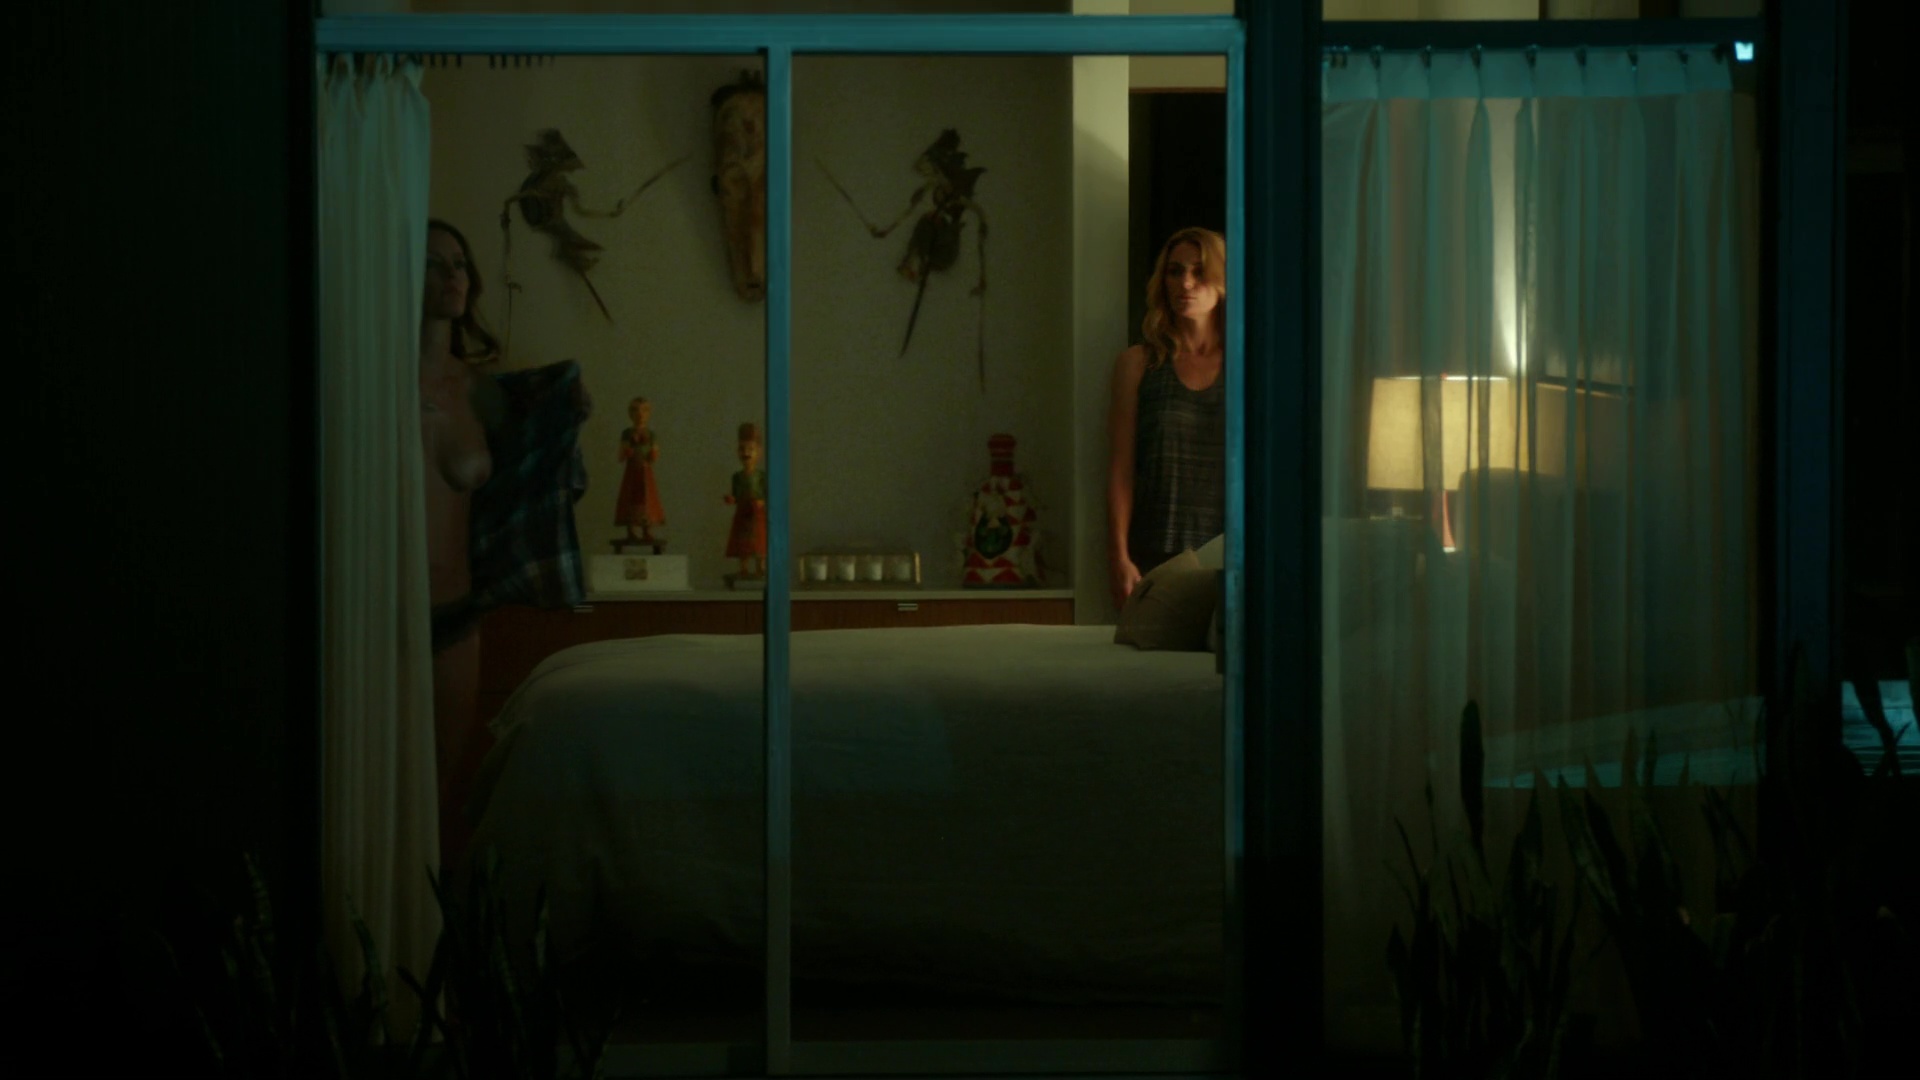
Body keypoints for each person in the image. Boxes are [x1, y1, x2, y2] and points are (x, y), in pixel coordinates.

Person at [418, 218, 509, 869]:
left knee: (437, 800)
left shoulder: (481, 390)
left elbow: (526, 485)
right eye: (433, 263)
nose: (452, 275)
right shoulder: (371, 376)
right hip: (376, 614)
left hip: (454, 616)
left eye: (459, 263)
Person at [1107, 226, 1226, 612]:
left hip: (1228, 550)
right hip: (1155, 553)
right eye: (1175, 271)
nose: (1185, 283)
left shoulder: (1246, 364)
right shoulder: (1139, 364)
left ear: (1221, 280)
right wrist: (1118, 555)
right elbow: (1122, 469)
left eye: (1198, 271)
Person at [615, 396, 665, 545]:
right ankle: (631, 530)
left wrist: (652, 455)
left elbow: (655, 453)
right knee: (630, 498)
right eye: (636, 410)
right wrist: (627, 452)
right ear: (630, 414)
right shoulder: (627, 434)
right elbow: (621, 456)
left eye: (644, 410)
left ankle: (646, 530)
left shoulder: (651, 434)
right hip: (632, 471)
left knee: (646, 498)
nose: (640, 414)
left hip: (645, 471)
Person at [723, 421, 768, 580]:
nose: (746, 453)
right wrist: (732, 499)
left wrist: (761, 502)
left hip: (757, 512)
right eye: (742, 449)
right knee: (742, 541)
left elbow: (767, 493)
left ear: (758, 452)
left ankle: (760, 567)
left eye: (751, 449)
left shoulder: (761, 476)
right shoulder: (737, 477)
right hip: (743, 512)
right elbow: (736, 494)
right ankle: (743, 568)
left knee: (759, 540)